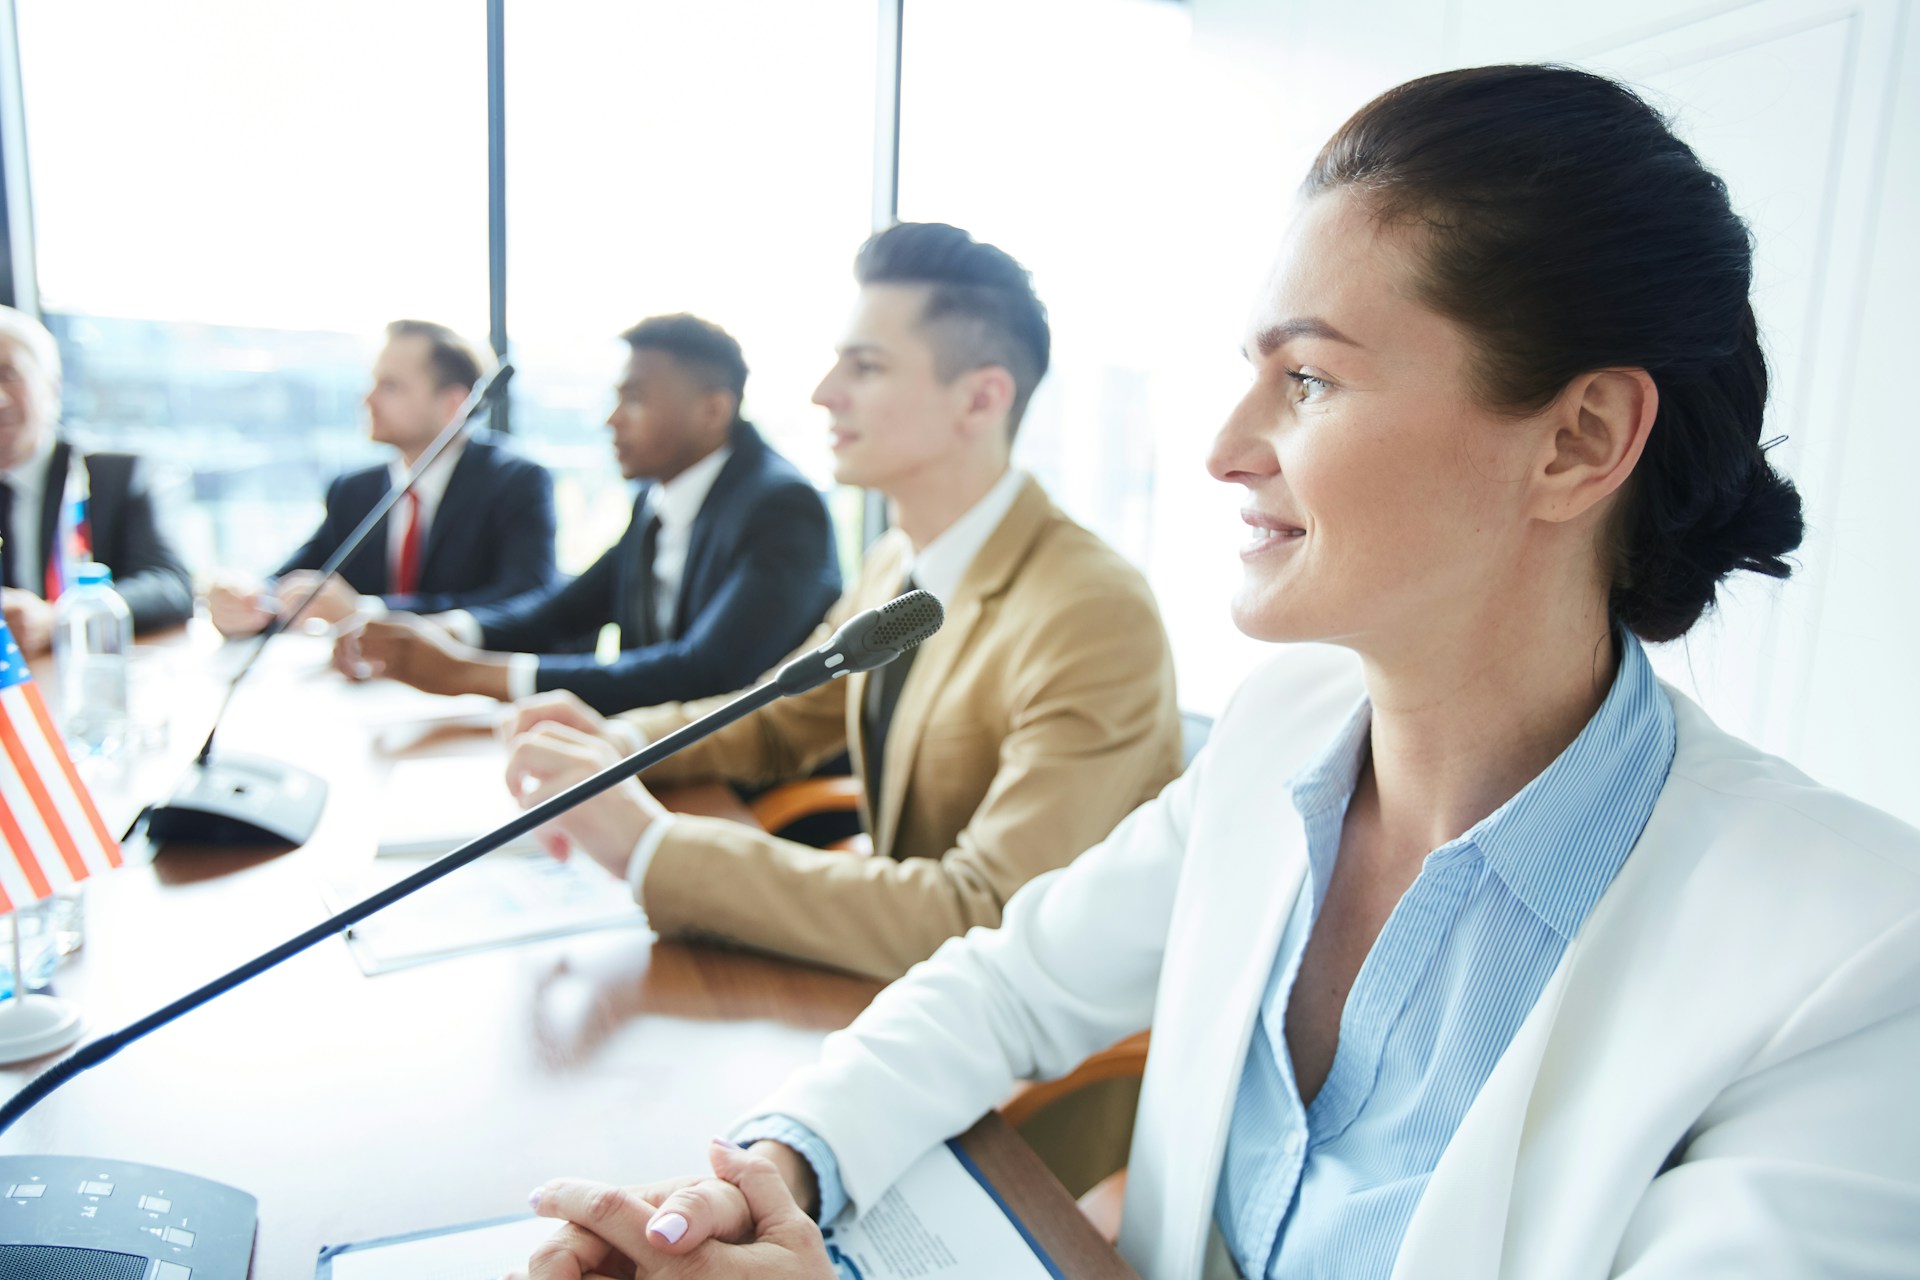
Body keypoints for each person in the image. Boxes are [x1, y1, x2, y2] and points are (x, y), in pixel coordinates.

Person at [511, 67, 1920, 1280]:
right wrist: (767, 1176)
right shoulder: (1282, 736)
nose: (1225, 446)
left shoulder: (1853, 957)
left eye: (1306, 380)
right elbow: (1003, 987)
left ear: (1577, 441)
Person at [501, 222, 1183, 983]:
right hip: (895, 990)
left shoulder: (1090, 614)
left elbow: (985, 912)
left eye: (864, 367)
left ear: (981, 399)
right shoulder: (898, 561)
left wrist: (650, 848)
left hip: (1021, 1063)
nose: (824, 394)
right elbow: (779, 720)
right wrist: (619, 744)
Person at [332, 314, 841, 714]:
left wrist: (472, 674)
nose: (611, 419)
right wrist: (449, 633)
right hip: (648, 751)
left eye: (634, 399)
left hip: (740, 787)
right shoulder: (658, 496)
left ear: (713, 411)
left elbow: (706, 670)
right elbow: (563, 612)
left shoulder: (780, 506)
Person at [206, 319, 557, 636]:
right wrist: (249, 598)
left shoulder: (516, 483)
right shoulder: (354, 491)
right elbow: (300, 575)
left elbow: (525, 600)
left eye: (390, 386)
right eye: (372, 382)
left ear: (454, 405)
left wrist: (370, 613)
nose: (368, 399)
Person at [0, 304, 193, 654]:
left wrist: (60, 619)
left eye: (9, 374)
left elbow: (170, 587)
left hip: (87, 680)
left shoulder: (115, 475)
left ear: (52, 387)